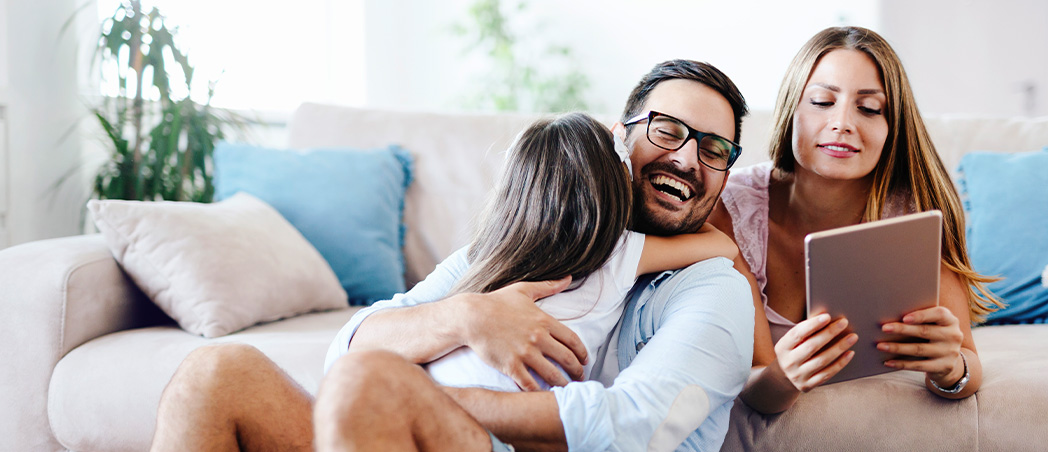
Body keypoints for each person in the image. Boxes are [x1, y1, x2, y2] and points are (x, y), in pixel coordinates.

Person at [150, 59, 755, 452]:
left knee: (372, 385)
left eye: (715, 149)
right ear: (620, 139)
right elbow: (348, 349)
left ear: (726, 173)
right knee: (215, 375)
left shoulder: (711, 289)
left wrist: (422, 398)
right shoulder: (529, 247)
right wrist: (468, 317)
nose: (685, 159)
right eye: (668, 130)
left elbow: (641, 426)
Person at [707, 26, 1005, 415]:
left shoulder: (915, 216)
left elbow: (967, 367)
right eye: (821, 101)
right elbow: (757, 392)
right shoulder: (731, 208)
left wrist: (951, 369)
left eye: (868, 108)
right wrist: (784, 376)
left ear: (892, 127)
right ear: (791, 109)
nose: (842, 122)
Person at [419, 112, 739, 393]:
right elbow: (724, 246)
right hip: (506, 417)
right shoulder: (618, 255)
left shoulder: (490, 255)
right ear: (613, 193)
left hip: (436, 387)